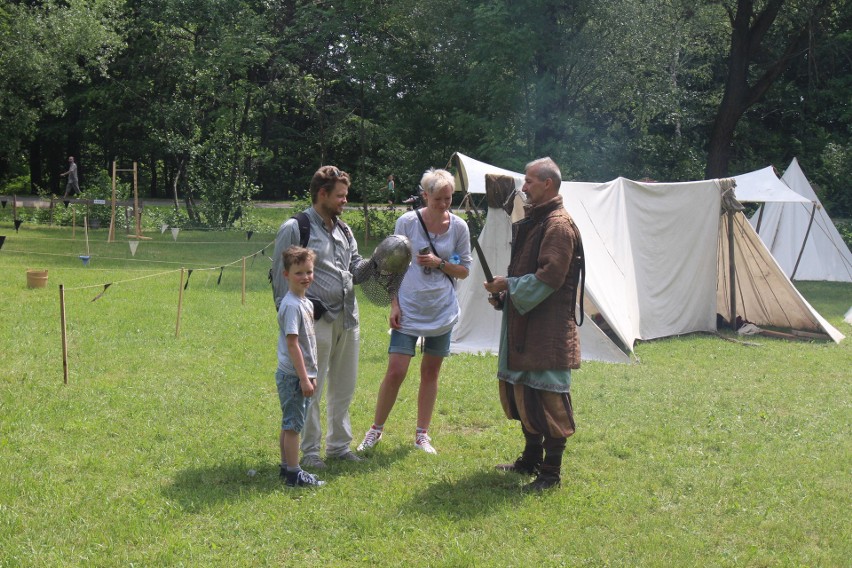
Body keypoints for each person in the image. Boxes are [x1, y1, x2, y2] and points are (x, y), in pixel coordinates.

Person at [483, 157, 583, 492]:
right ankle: (530, 458)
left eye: (528, 181)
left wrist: (509, 287)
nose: (523, 187)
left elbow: (550, 277)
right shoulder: (538, 220)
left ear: (548, 184)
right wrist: (505, 296)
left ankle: (551, 473)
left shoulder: (558, 225)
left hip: (548, 330)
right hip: (529, 324)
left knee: (549, 398)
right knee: (525, 394)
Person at [358, 168, 472, 455]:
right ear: (425, 195)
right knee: (396, 371)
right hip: (408, 308)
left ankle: (422, 435)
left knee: (430, 372)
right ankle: (375, 430)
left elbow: (464, 270)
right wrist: (394, 304)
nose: (444, 204)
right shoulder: (407, 222)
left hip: (442, 310)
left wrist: (439, 263)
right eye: (438, 199)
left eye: (449, 198)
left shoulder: (459, 227)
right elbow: (391, 267)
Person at [272, 165, 365, 469]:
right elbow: (278, 279)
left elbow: (355, 267)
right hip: (313, 323)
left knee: (344, 387)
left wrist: (382, 262)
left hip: (348, 319)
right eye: (340, 196)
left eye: (345, 196)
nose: (344, 201)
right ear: (322, 194)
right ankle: (310, 453)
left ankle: (339, 446)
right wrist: (294, 323)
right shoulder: (296, 227)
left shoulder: (344, 229)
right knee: (311, 385)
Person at [275, 246, 325, 487]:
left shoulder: (305, 302)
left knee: (290, 421)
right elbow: (293, 344)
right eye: (298, 273)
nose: (305, 277)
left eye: (309, 271)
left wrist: (311, 373)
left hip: (301, 373)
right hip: (294, 375)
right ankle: (295, 474)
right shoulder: (292, 305)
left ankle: (286, 467)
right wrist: (305, 378)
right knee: (294, 425)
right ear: (286, 274)